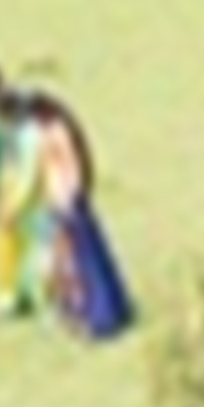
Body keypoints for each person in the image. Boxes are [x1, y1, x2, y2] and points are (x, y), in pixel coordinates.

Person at [27, 85, 136, 338]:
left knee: (83, 262)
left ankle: (99, 315)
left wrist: (70, 197)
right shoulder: (44, 131)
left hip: (68, 200)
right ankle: (74, 311)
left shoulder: (58, 131)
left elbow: (71, 166)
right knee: (65, 261)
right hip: (56, 199)